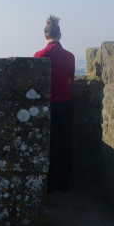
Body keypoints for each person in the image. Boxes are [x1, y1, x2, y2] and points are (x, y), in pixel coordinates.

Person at [34, 15, 74, 192]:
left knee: (47, 144)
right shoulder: (70, 56)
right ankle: (63, 183)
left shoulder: (39, 56)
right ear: (60, 35)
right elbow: (70, 80)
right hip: (65, 103)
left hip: (47, 105)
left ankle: (48, 183)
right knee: (64, 143)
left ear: (45, 35)